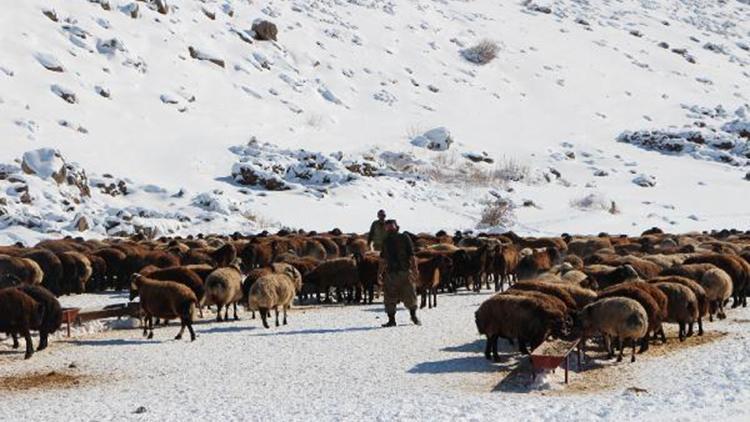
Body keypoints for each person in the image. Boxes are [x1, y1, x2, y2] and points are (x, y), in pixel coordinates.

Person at [379, 219, 420, 327]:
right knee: (389, 297)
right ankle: (391, 320)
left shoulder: (404, 238)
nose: (390, 228)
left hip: (405, 272)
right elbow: (383, 259)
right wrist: (379, 273)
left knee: (410, 294)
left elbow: (411, 255)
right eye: (388, 227)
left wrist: (415, 269)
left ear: (397, 227)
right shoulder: (386, 241)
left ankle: (413, 316)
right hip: (390, 273)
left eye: (391, 226)